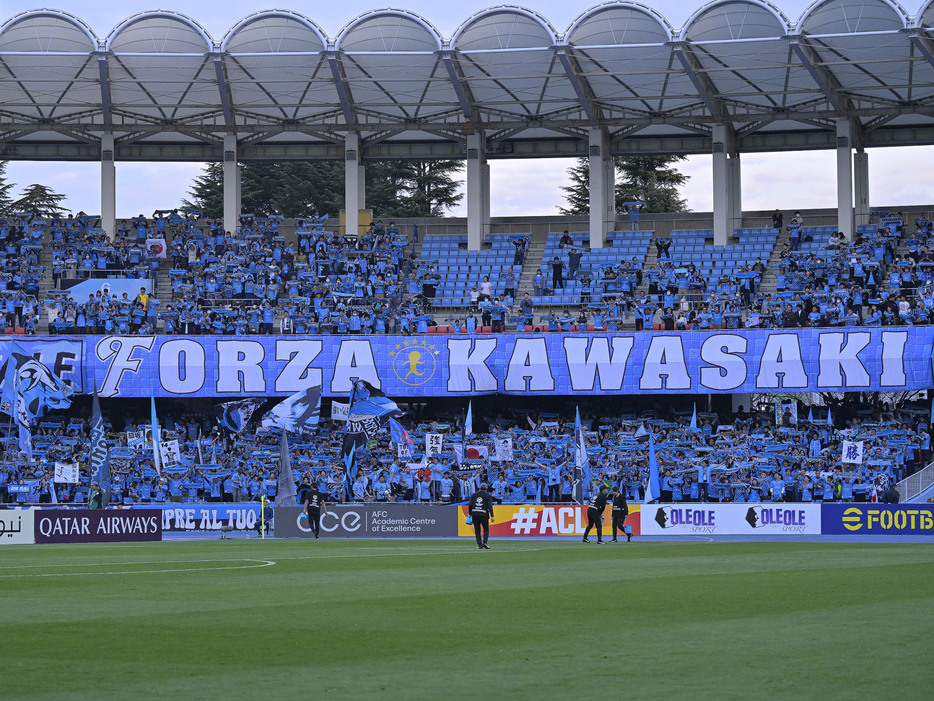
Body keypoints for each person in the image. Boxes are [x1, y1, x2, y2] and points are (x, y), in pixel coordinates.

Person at [468, 482, 495, 550]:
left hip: (475, 513)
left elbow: (470, 505)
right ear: (486, 489)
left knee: (477, 530)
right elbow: (490, 506)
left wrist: (470, 513)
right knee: (485, 529)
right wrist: (492, 516)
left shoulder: (474, 495)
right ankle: (485, 542)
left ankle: (479, 544)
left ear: (479, 488)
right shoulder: (487, 496)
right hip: (483, 514)